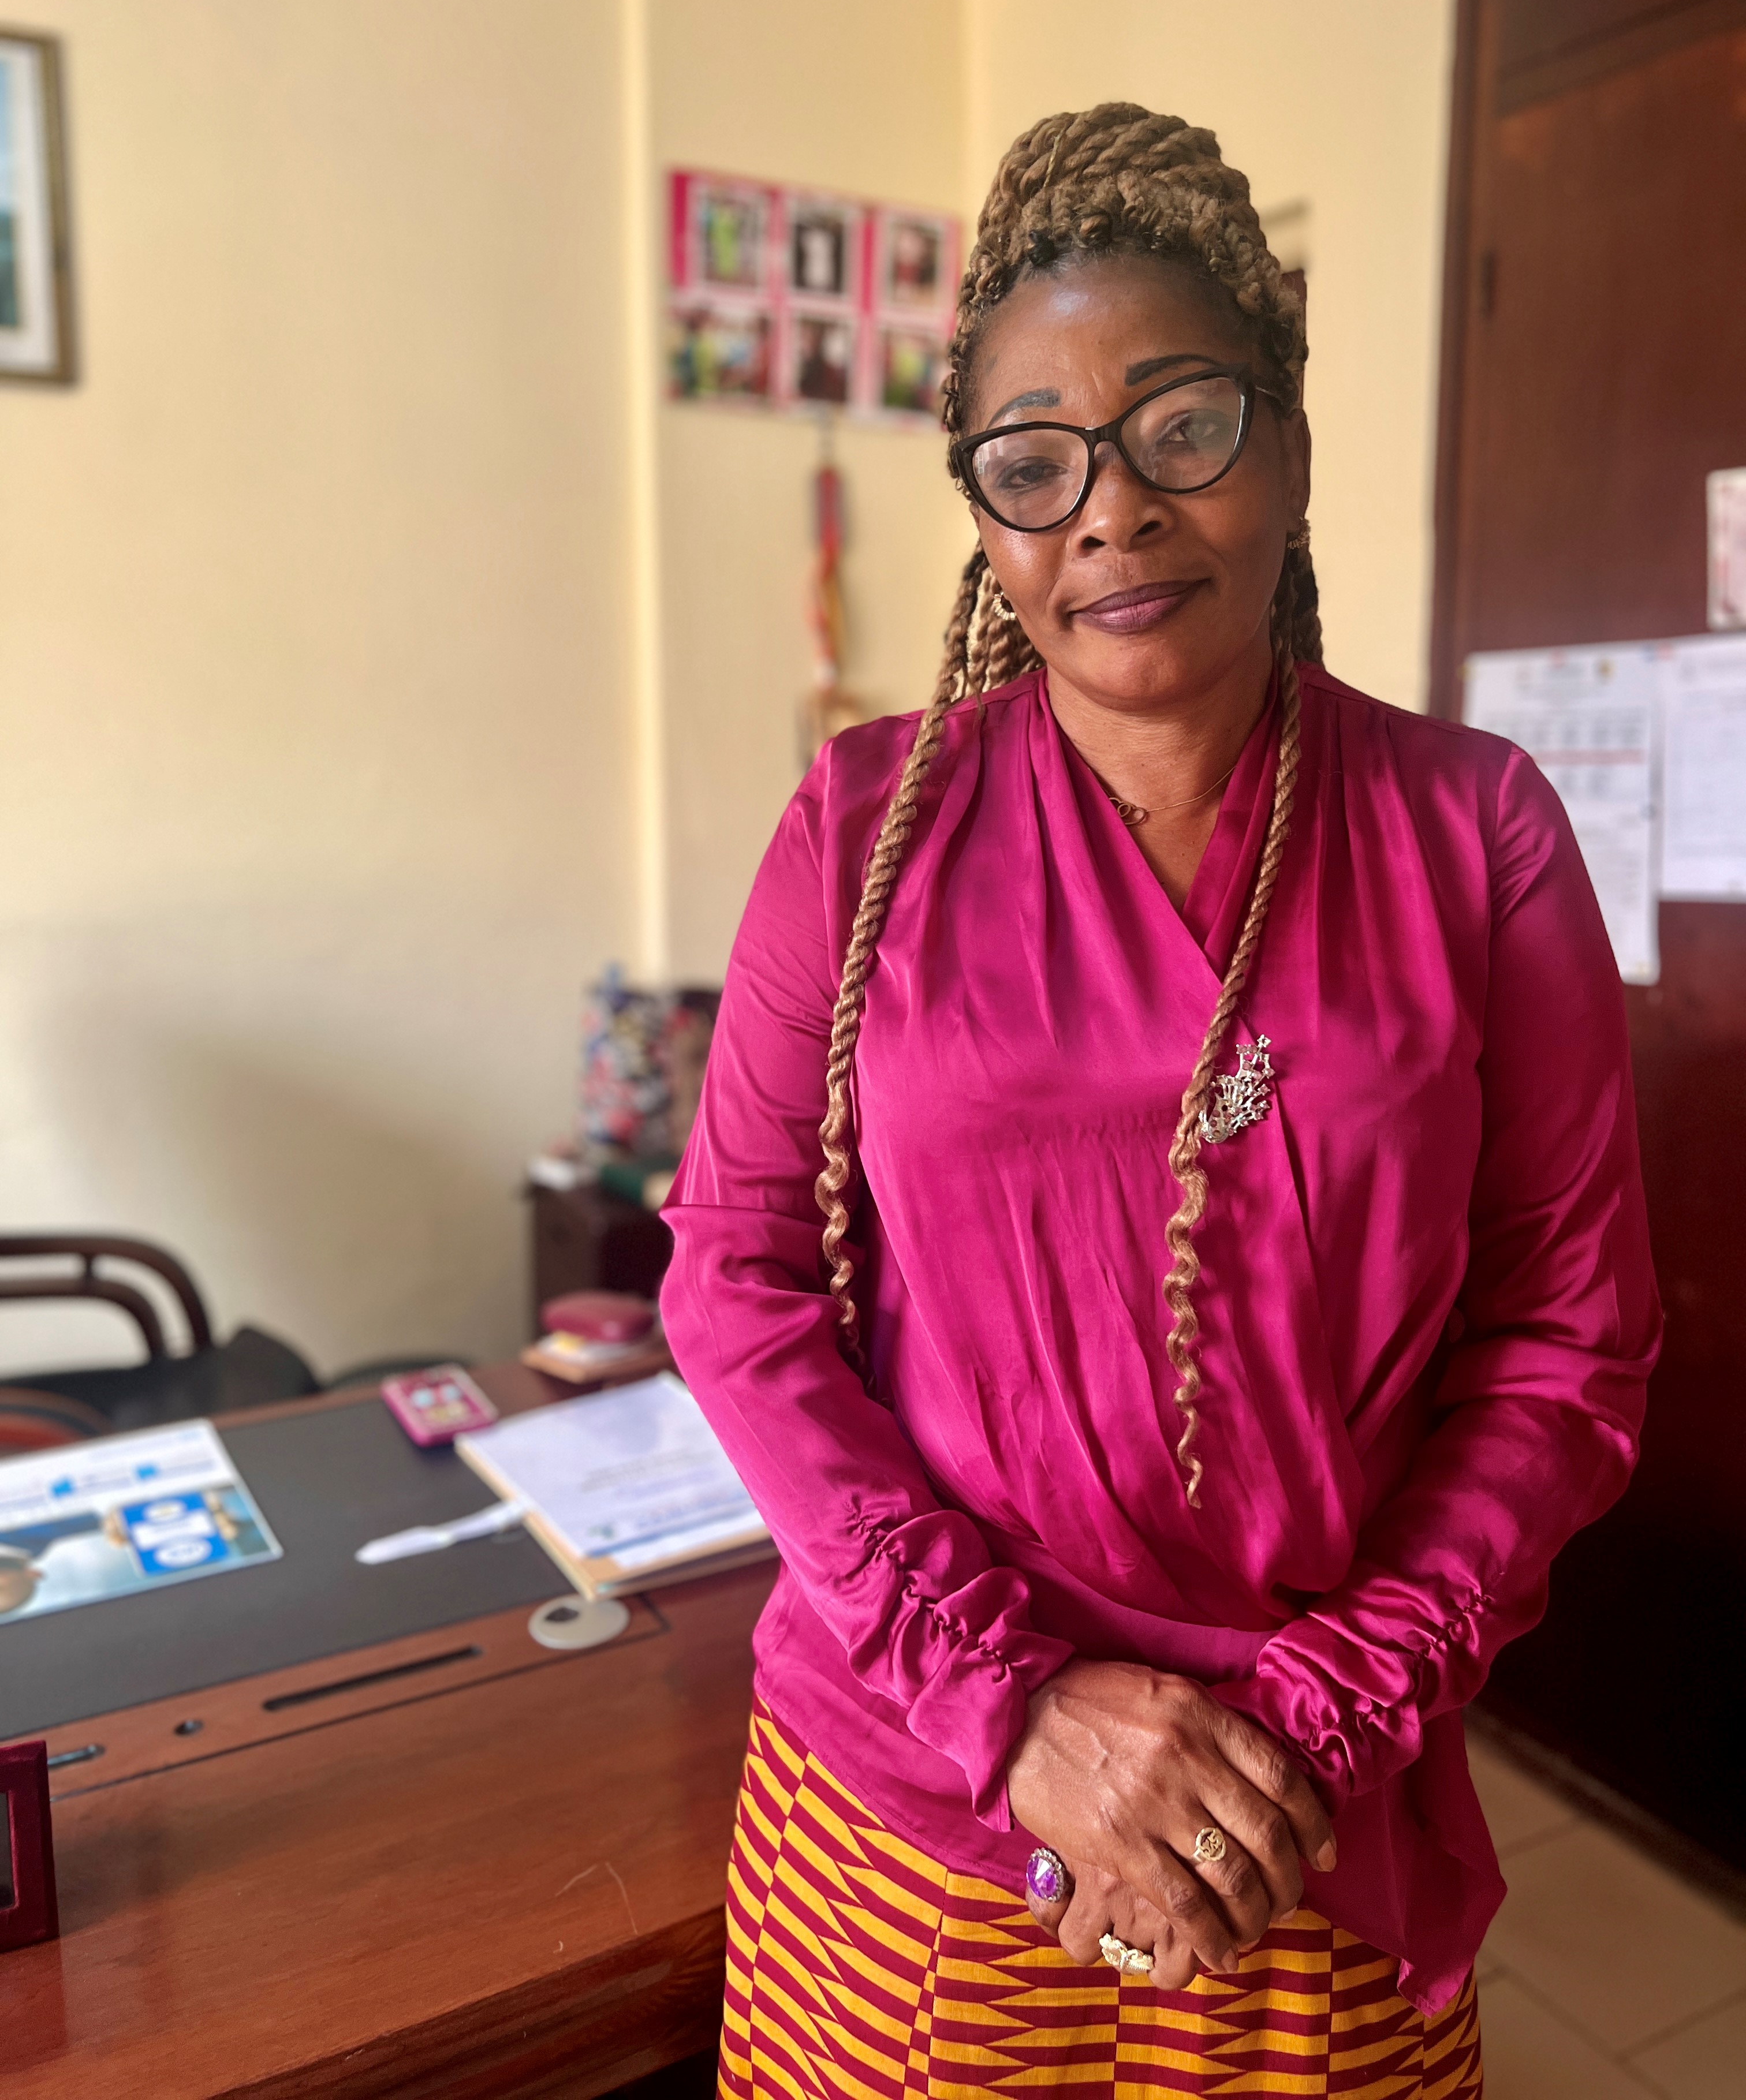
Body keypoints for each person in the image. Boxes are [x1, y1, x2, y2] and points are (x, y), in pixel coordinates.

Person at [661, 102, 1660, 2098]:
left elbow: (1569, 1336)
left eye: (1182, 424)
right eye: (1034, 465)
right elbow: (735, 1283)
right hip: (919, 1805)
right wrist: (1014, 1703)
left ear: (1287, 445)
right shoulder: (862, 828)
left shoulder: (1476, 834)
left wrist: (1311, 1716)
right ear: (989, 520)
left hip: (1311, 1806)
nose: (1110, 512)